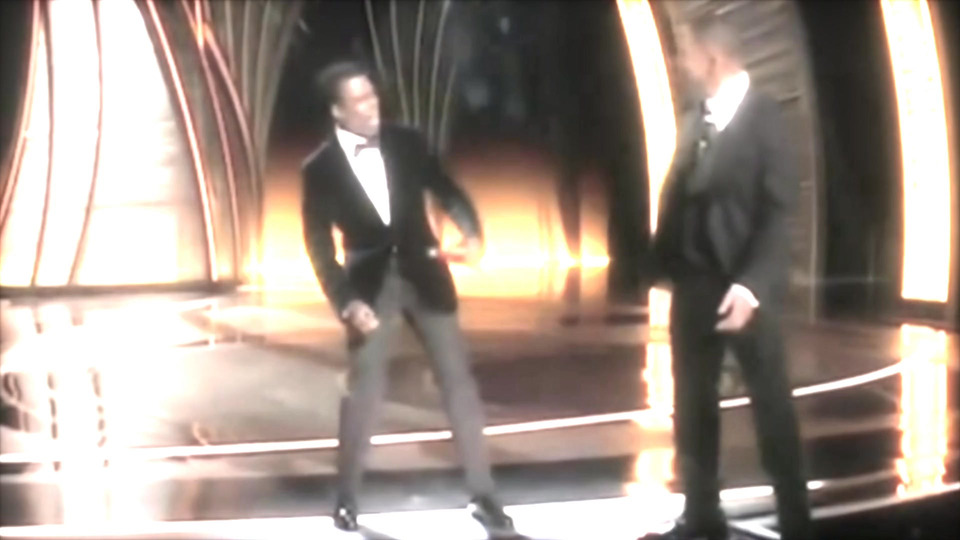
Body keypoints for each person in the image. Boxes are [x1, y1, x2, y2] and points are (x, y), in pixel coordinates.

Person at [300, 60, 515, 537]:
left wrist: (471, 232)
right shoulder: (319, 169)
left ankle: (484, 496)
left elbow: (448, 189)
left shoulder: (407, 142)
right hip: (370, 286)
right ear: (338, 111)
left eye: (372, 95)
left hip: (425, 273)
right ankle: (347, 499)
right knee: (363, 390)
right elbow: (317, 244)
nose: (371, 105)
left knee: (459, 384)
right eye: (358, 100)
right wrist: (346, 301)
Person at [641, 14, 813, 540]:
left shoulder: (766, 119)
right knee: (692, 404)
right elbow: (680, 195)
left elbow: (779, 212)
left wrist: (751, 286)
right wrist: (660, 264)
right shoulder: (696, 117)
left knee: (770, 404)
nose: (679, 62)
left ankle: (795, 520)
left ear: (712, 59)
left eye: (686, 53)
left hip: (745, 288)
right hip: (694, 285)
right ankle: (702, 515)